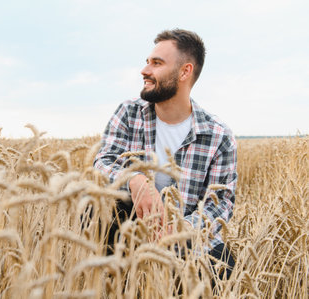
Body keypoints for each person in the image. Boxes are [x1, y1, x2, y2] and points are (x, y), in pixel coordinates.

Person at [93, 29, 236, 279]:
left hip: (185, 240)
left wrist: (180, 230)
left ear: (184, 72)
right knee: (92, 205)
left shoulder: (218, 136)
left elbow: (221, 204)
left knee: (225, 265)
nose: (144, 70)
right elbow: (101, 164)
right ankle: (114, 284)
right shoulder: (129, 113)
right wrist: (134, 179)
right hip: (130, 229)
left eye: (156, 63)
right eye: (147, 61)